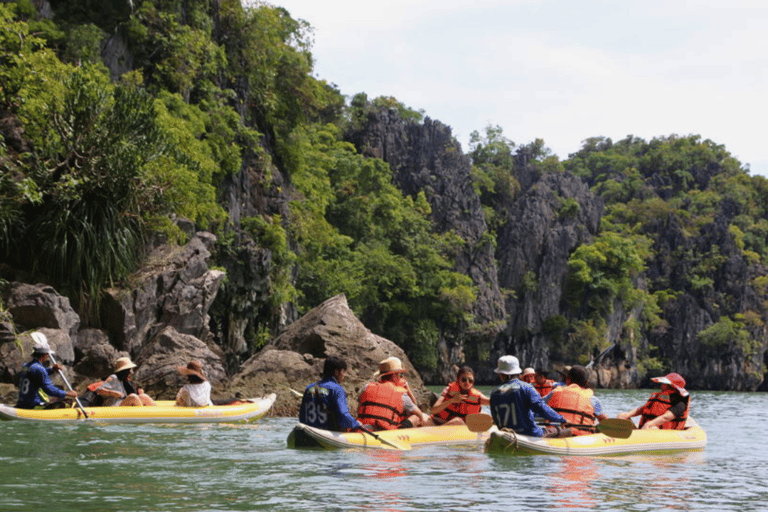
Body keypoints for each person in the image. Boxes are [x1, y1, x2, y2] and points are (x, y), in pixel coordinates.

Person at [489, 355, 566, 437]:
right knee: (566, 430)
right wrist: (562, 420)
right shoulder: (527, 388)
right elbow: (541, 408)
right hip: (530, 434)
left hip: (505, 434)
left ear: (501, 374)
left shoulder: (494, 392)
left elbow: (495, 416)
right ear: (517, 372)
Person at [357, 357, 429, 430]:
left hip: (363, 429)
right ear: (394, 375)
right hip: (386, 432)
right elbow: (418, 413)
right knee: (416, 417)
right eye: (400, 375)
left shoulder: (366, 387)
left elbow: (359, 409)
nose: (401, 378)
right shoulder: (400, 393)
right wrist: (408, 390)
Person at [299, 356, 364, 432]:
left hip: (307, 431)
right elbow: (343, 414)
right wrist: (356, 424)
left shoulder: (309, 387)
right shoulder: (337, 389)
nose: (344, 375)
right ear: (336, 372)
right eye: (343, 371)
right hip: (327, 434)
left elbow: (302, 415)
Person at [16, 335, 78, 409]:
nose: (48, 356)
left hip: (21, 404)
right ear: (44, 355)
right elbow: (49, 390)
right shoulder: (39, 369)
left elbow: (36, 374)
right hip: (33, 406)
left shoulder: (26, 365)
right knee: (68, 402)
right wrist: (67, 393)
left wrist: (51, 370)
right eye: (48, 354)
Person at [544, 365, 607, 436]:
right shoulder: (593, 399)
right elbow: (604, 420)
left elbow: (537, 405)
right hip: (580, 437)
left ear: (568, 379)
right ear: (586, 381)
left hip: (554, 433)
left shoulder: (554, 392)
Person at [617, 373, 690, 430]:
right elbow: (644, 409)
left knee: (651, 428)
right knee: (622, 416)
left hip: (664, 433)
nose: (661, 386)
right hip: (645, 430)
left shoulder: (681, 402)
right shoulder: (659, 396)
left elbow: (666, 417)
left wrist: (650, 424)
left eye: (663, 384)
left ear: (671, 386)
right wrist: (628, 414)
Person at [426, 366, 490, 426]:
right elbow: (433, 410)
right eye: (464, 380)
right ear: (458, 380)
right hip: (438, 422)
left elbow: (492, 401)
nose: (467, 383)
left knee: (458, 421)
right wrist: (451, 401)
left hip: (457, 427)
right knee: (417, 418)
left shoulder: (477, 397)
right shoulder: (448, 390)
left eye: (470, 381)